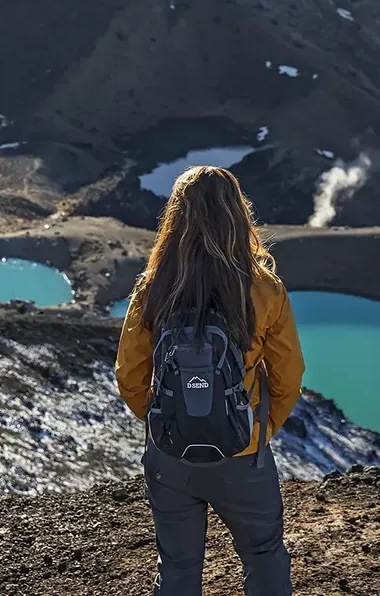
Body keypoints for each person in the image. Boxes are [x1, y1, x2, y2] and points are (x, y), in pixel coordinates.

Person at [115, 165, 305, 596]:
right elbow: (289, 375)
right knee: (263, 555)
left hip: (170, 456)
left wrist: (163, 419)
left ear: (176, 219)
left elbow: (129, 375)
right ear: (238, 216)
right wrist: (259, 430)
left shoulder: (153, 288)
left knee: (179, 569)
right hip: (243, 455)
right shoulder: (264, 289)